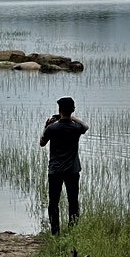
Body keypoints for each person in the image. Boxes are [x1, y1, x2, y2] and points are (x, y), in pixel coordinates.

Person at [39, 96, 89, 235]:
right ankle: (72, 230)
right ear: (72, 110)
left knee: (53, 202)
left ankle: (55, 232)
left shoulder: (52, 128)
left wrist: (46, 126)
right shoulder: (76, 127)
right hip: (73, 170)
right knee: (73, 201)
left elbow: (42, 143)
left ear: (59, 110)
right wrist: (73, 117)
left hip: (55, 170)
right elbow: (86, 126)